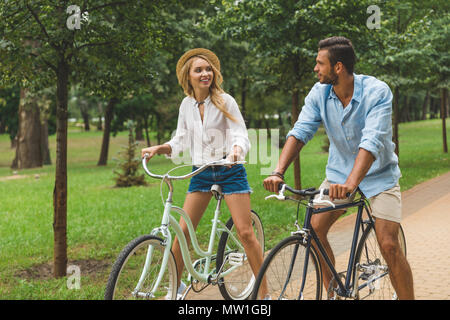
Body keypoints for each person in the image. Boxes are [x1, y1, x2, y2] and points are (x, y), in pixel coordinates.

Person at [263, 36, 414, 299]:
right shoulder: (319, 93)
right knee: (315, 229)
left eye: (320, 63)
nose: (315, 68)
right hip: (338, 176)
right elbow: (300, 132)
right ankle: (335, 293)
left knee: (389, 244)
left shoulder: (377, 91)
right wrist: (278, 171)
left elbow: (372, 141)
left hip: (380, 177)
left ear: (338, 67)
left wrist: (351, 185)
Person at [141, 48, 267, 299]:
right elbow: (181, 139)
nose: (205, 73)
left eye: (208, 69)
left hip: (230, 171)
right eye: (199, 70)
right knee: (183, 231)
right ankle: (174, 290)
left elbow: (240, 133)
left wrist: (234, 153)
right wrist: (160, 147)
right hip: (201, 171)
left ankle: (265, 295)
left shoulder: (225, 100)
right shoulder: (186, 105)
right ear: (188, 76)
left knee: (245, 232)